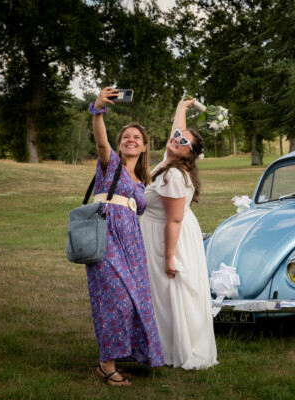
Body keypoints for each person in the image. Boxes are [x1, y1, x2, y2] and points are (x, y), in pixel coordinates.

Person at [86, 88, 164, 386]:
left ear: (144, 147)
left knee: (132, 302)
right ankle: (106, 365)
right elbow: (100, 141)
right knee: (114, 301)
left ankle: (117, 358)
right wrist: (98, 108)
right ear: (120, 145)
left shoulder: (142, 180)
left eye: (136, 138)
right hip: (106, 240)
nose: (130, 140)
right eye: (126, 137)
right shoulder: (111, 164)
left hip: (132, 247)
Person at [140, 98, 218, 370]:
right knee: (162, 296)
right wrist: (182, 108)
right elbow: (179, 134)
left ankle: (174, 350)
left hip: (168, 241)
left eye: (183, 143)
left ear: (190, 154)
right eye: (175, 137)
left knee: (168, 293)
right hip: (164, 234)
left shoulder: (174, 175)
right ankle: (162, 346)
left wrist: (169, 259)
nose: (176, 141)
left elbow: (173, 219)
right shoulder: (168, 164)